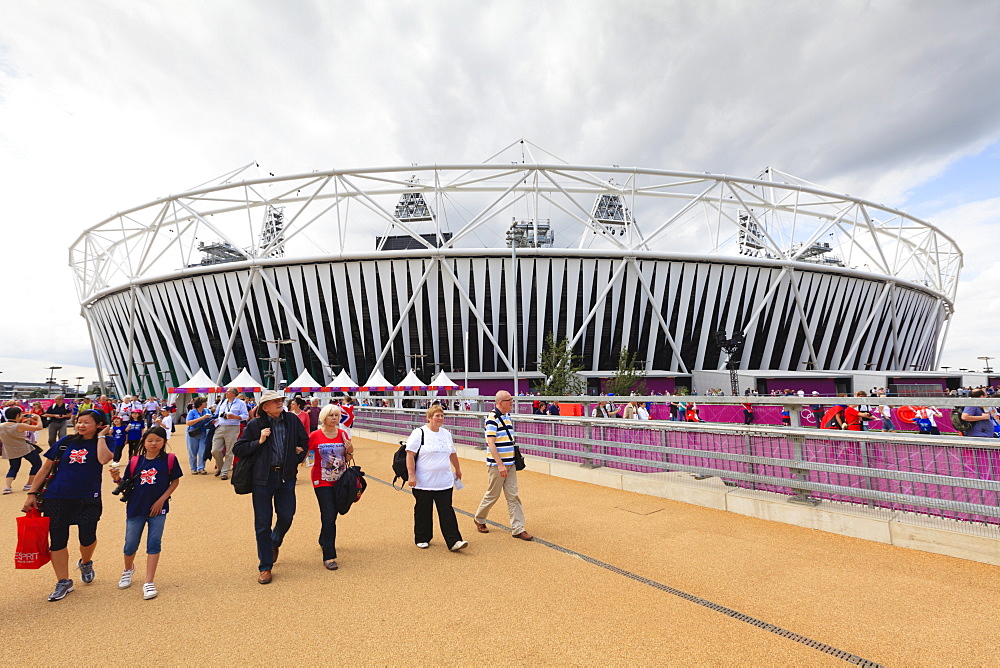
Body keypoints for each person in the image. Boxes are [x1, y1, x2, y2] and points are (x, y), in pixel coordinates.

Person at [22, 409, 114, 602]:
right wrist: (32, 493)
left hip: (88, 497)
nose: (80, 425)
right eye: (79, 421)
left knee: (87, 538)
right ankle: (63, 581)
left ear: (99, 425)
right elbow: (45, 467)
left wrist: (101, 437)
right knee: (58, 540)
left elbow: (104, 460)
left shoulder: (105, 442)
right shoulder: (65, 442)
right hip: (57, 497)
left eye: (86, 422)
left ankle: (86, 562)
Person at [232, 390, 308, 584]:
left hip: (286, 476)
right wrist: (259, 441)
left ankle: (274, 542)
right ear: (264, 407)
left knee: (287, 515)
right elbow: (238, 448)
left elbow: (304, 441)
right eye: (274, 402)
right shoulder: (255, 425)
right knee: (262, 523)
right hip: (262, 479)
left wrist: (296, 458)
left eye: (280, 400)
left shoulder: (291, 420)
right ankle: (265, 566)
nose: (279, 403)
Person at [108, 426, 182, 600]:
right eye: (150, 440)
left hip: (158, 508)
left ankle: (149, 581)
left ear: (164, 442)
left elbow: (175, 481)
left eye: (158, 440)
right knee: (130, 544)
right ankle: (128, 569)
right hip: (136, 506)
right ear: (144, 442)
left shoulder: (170, 459)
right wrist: (115, 478)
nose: (153, 443)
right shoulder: (135, 461)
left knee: (154, 543)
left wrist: (161, 500)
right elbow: (125, 483)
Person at [406, 405, 467, 551]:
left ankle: (454, 540)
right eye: (437, 416)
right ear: (429, 417)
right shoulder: (419, 433)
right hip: (423, 482)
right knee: (423, 510)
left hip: (444, 481)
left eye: (442, 416)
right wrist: (411, 475)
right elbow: (410, 454)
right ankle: (422, 537)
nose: (440, 418)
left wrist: (457, 469)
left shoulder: (446, 434)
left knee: (447, 511)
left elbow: (452, 453)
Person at [473, 391, 532, 541]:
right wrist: (500, 464)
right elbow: (490, 443)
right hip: (497, 465)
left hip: (510, 463)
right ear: (500, 403)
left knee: (513, 496)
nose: (512, 402)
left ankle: (518, 528)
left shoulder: (507, 416)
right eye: (509, 400)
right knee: (493, 494)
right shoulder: (492, 418)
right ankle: (479, 518)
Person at [307, 405, 353, 570]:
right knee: (328, 514)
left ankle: (323, 539)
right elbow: (306, 452)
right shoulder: (315, 435)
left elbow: (348, 458)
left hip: (340, 479)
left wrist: (349, 449)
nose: (334, 418)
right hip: (321, 480)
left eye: (336, 415)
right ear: (324, 418)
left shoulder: (342, 434)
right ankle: (329, 555)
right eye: (331, 415)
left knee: (333, 513)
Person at [2, 407, 45, 494]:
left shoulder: (1, 426)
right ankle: (29, 484)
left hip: (11, 450)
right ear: (17, 415)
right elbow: (39, 427)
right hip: (25, 448)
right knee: (37, 464)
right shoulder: (19, 425)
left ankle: (7, 487)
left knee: (13, 467)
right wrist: (38, 418)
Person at [212, 388, 249, 480]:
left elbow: (246, 416)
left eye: (228, 392)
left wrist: (234, 416)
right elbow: (217, 413)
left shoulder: (241, 403)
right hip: (220, 426)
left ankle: (224, 472)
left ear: (233, 393)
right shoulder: (222, 402)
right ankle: (220, 467)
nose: (226, 393)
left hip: (233, 427)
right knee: (215, 450)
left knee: (230, 450)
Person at [185, 397, 213, 474]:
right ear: (200, 404)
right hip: (192, 433)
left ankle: (201, 467)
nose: (206, 403)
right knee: (192, 451)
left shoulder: (207, 411)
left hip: (203, 433)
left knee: (202, 451)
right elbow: (188, 423)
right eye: (204, 402)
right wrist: (202, 418)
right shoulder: (192, 412)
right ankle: (193, 468)